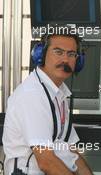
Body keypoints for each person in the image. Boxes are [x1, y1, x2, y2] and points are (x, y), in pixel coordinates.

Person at [2, 32, 93, 175]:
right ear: (41, 55)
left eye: (71, 54)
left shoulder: (58, 93)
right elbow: (46, 161)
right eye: (58, 52)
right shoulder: (32, 95)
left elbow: (70, 150)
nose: (65, 59)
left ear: (78, 61)